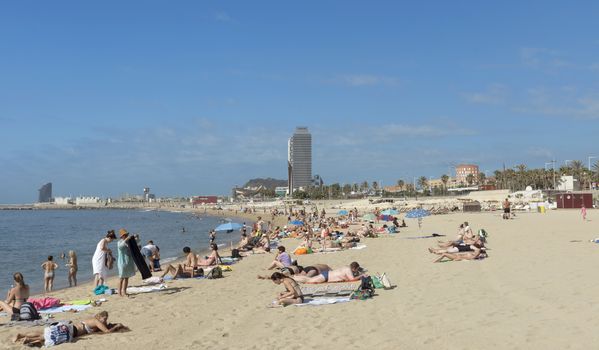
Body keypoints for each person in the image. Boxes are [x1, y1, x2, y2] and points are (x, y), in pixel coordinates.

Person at [12, 311, 129, 347]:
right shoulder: (96, 321)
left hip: (69, 328)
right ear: (100, 316)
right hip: (71, 330)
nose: (105, 321)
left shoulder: (92, 320)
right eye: (105, 318)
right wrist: (116, 327)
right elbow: (106, 331)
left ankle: (22, 336)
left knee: (44, 333)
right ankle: (27, 339)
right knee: (45, 336)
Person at [292, 262, 364, 283]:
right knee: (309, 280)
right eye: (356, 270)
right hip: (326, 276)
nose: (357, 271)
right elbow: (352, 279)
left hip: (327, 274)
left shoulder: (346, 267)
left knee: (309, 279)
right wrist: (361, 276)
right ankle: (294, 278)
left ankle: (295, 277)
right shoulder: (348, 270)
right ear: (354, 268)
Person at [116, 229, 136, 297]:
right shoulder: (119, 242)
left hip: (128, 262)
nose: (126, 236)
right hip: (122, 262)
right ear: (122, 236)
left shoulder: (128, 242)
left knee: (127, 278)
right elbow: (120, 246)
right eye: (125, 235)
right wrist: (126, 239)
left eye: (126, 235)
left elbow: (137, 242)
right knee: (121, 278)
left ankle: (124, 291)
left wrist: (136, 237)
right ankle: (119, 293)